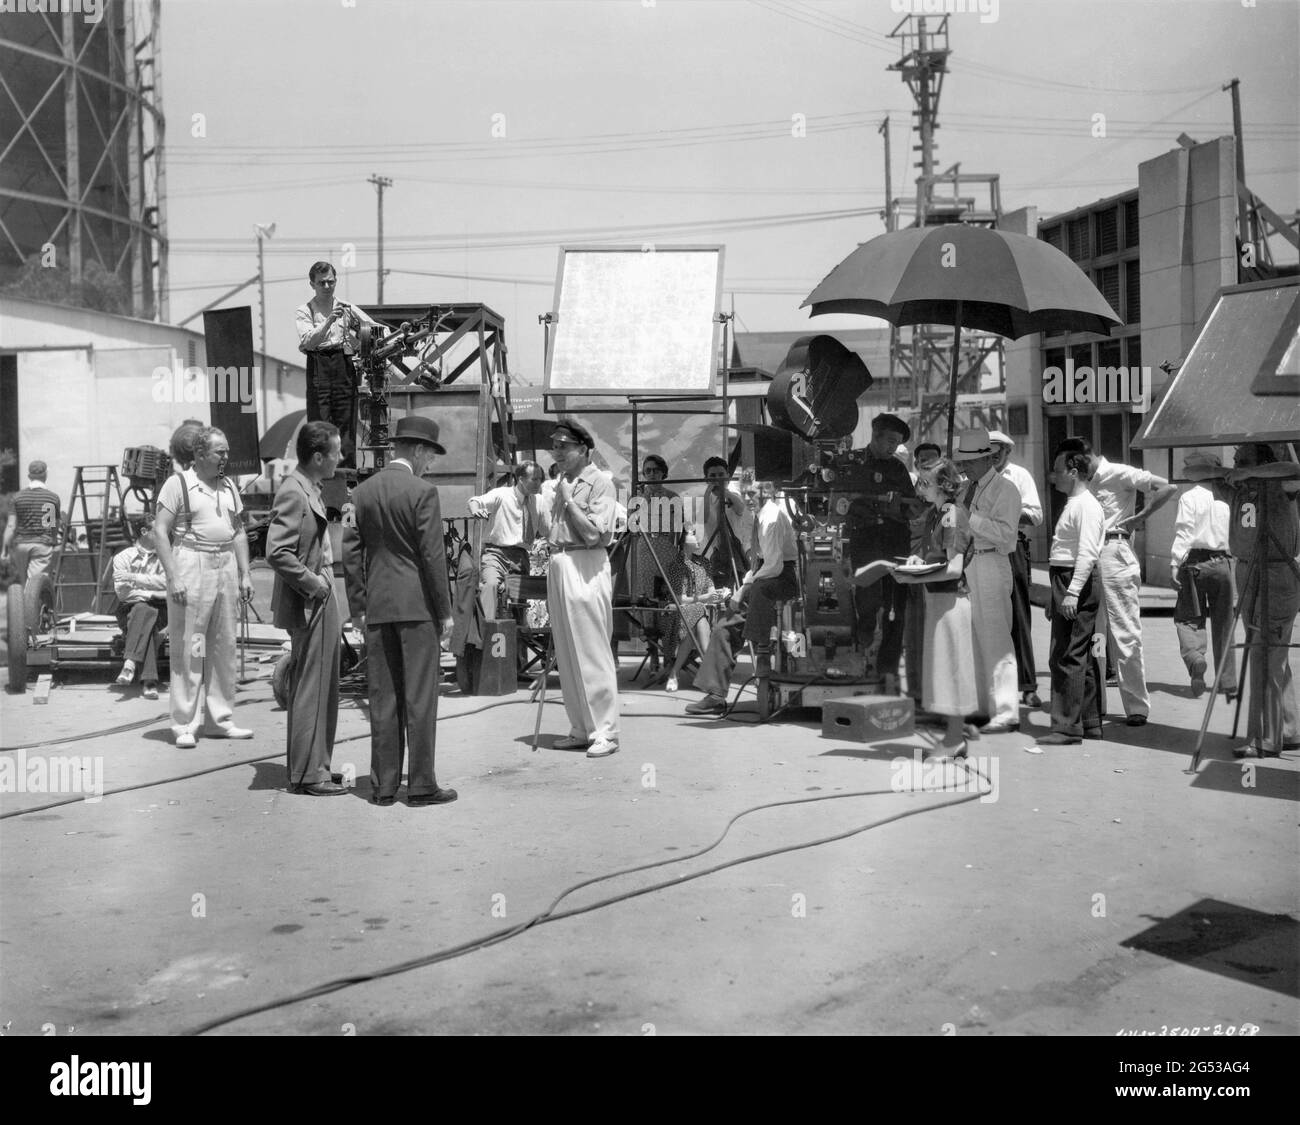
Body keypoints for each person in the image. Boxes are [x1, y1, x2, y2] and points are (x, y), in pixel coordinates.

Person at [343, 416, 457, 804]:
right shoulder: (424, 492)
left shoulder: (359, 493)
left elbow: (350, 554)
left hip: (377, 608)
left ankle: (383, 786)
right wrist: (445, 611)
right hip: (417, 608)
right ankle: (422, 784)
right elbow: (432, 557)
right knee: (420, 698)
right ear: (420, 450)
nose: (431, 464)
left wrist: (358, 606)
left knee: (383, 697)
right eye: (431, 455)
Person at [1188, 443, 1300, 758]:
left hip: (1275, 578)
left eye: (1243, 460)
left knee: (1265, 658)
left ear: (1263, 462)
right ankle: (1288, 729)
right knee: (1272, 657)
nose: (1236, 464)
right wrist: (1228, 472)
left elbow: (1294, 470)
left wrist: (1250, 471)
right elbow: (1192, 471)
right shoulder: (1239, 489)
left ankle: (1265, 738)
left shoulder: (1283, 486)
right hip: (1250, 576)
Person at [1057, 437, 1177, 727]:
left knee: (1124, 631)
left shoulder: (1120, 473)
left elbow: (1167, 487)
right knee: (1089, 634)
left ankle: (1136, 706)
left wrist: (1140, 517)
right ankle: (1095, 705)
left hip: (1113, 552)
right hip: (1085, 554)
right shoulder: (1080, 483)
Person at [153, 427, 255, 748]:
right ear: (199, 454)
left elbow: (238, 532)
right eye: (219, 452)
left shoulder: (228, 486)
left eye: (227, 451)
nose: (226, 457)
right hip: (191, 561)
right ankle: (184, 723)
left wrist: (245, 574)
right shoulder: (178, 484)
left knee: (223, 646)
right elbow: (160, 531)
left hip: (224, 562)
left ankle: (220, 720)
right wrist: (174, 577)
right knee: (191, 645)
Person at [267, 421, 347, 797]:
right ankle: (306, 773)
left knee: (323, 685)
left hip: (319, 594)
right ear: (318, 456)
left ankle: (318, 765)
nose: (341, 457)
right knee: (311, 687)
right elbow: (276, 551)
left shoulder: (307, 487)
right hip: (310, 599)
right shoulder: (294, 492)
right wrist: (314, 584)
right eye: (336, 451)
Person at [685, 479, 799, 717]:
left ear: (766, 492)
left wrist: (743, 589)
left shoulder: (772, 517)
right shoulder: (758, 516)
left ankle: (760, 650)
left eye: (752, 493)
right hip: (764, 576)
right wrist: (743, 587)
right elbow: (759, 564)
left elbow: (775, 566)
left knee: (755, 594)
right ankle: (715, 694)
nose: (747, 498)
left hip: (781, 578)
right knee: (725, 623)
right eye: (744, 494)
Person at [545, 421, 621, 757]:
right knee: (566, 650)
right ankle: (580, 726)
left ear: (582, 448)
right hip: (560, 562)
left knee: (591, 650)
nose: (557, 452)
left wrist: (569, 501)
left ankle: (605, 730)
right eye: (555, 445)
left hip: (586, 564)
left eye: (563, 445)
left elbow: (594, 533)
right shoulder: (563, 481)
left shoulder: (600, 483)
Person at [892, 458, 978, 758]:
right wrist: (920, 563)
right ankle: (953, 738)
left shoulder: (953, 515)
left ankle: (954, 740)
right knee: (943, 671)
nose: (920, 488)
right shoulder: (936, 514)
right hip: (938, 599)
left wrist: (914, 576)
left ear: (943, 485)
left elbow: (954, 569)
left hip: (952, 600)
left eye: (925, 483)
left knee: (953, 672)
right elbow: (937, 557)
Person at [842, 413, 920, 693]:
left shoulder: (898, 470)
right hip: (865, 543)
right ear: (875, 436)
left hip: (896, 544)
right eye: (889, 441)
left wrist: (902, 507)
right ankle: (862, 648)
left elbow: (911, 507)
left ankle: (887, 671)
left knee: (895, 609)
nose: (892, 447)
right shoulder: (852, 463)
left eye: (897, 443)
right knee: (868, 601)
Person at [953, 427, 1021, 734]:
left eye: (968, 461)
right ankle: (983, 707)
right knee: (973, 638)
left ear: (985, 459)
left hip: (992, 561)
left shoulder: (1005, 490)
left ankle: (1006, 711)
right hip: (969, 563)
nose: (964, 467)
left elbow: (1007, 536)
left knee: (995, 637)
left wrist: (971, 518)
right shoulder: (967, 489)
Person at [1038, 446, 1105, 746]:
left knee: (1067, 655)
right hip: (1066, 578)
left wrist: (1072, 593)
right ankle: (1089, 722)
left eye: (1058, 469)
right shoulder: (1075, 503)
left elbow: (1088, 554)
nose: (1053, 475)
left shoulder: (1086, 506)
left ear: (1074, 471)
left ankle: (1067, 727)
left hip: (1075, 579)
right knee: (1081, 655)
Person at [295, 260, 390, 468]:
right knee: (319, 422)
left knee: (346, 420)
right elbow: (309, 342)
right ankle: (319, 473)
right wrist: (329, 320)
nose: (327, 287)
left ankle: (346, 476)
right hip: (318, 364)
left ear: (336, 281)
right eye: (322, 283)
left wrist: (383, 337)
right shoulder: (305, 310)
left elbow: (377, 329)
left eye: (330, 282)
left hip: (343, 363)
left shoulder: (347, 308)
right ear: (312, 284)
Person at [1170, 451, 1237, 701]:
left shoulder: (1189, 498)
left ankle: (1195, 657)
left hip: (1195, 563)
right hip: (1224, 562)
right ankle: (1227, 681)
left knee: (1188, 617)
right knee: (1224, 622)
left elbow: (1184, 533)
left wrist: (1175, 563)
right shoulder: (1227, 497)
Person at [989, 430, 1044, 709]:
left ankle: (1027, 685)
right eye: (988, 450)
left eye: (998, 451)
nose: (993, 455)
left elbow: (1036, 515)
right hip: (983, 550)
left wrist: (1005, 511)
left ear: (1007, 453)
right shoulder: (974, 476)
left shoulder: (1019, 476)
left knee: (1019, 615)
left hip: (1013, 548)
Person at [467, 461, 547, 620]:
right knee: (490, 586)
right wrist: (476, 510)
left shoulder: (539, 501)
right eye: (534, 479)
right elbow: (474, 501)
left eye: (540, 479)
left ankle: (518, 640)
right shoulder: (502, 494)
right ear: (520, 479)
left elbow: (548, 530)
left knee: (519, 602)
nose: (538, 483)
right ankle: (486, 631)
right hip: (496, 553)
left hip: (521, 557)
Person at [631, 453, 687, 680]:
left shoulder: (674, 498)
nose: (651, 474)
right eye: (647, 471)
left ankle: (669, 657)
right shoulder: (638, 498)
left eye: (655, 470)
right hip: (645, 553)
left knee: (668, 606)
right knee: (647, 606)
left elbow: (680, 531)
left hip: (668, 554)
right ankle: (652, 654)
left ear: (663, 472)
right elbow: (631, 528)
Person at [2, 460, 62, 632]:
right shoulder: (51, 497)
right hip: (42, 545)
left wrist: (4, 550)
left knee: (24, 584)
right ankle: (31, 624)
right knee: (35, 585)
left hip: (21, 546)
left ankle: (22, 621)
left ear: (29, 475)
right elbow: (51, 525)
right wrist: (53, 542)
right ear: (45, 475)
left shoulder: (18, 497)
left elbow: (11, 526)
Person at [111, 523, 168, 700]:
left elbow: (170, 583)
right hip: (129, 609)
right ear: (144, 531)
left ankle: (130, 664)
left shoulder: (166, 557)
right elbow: (123, 593)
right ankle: (148, 682)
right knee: (144, 611)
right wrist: (153, 593)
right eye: (157, 529)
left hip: (161, 611)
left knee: (144, 611)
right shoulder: (122, 557)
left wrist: (134, 578)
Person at [697, 455, 753, 589]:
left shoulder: (734, 495)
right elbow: (701, 519)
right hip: (715, 553)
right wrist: (708, 493)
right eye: (713, 476)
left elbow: (740, 507)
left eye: (721, 475)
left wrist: (724, 492)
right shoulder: (706, 500)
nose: (717, 479)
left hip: (734, 551)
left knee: (735, 587)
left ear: (727, 476)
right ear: (707, 479)